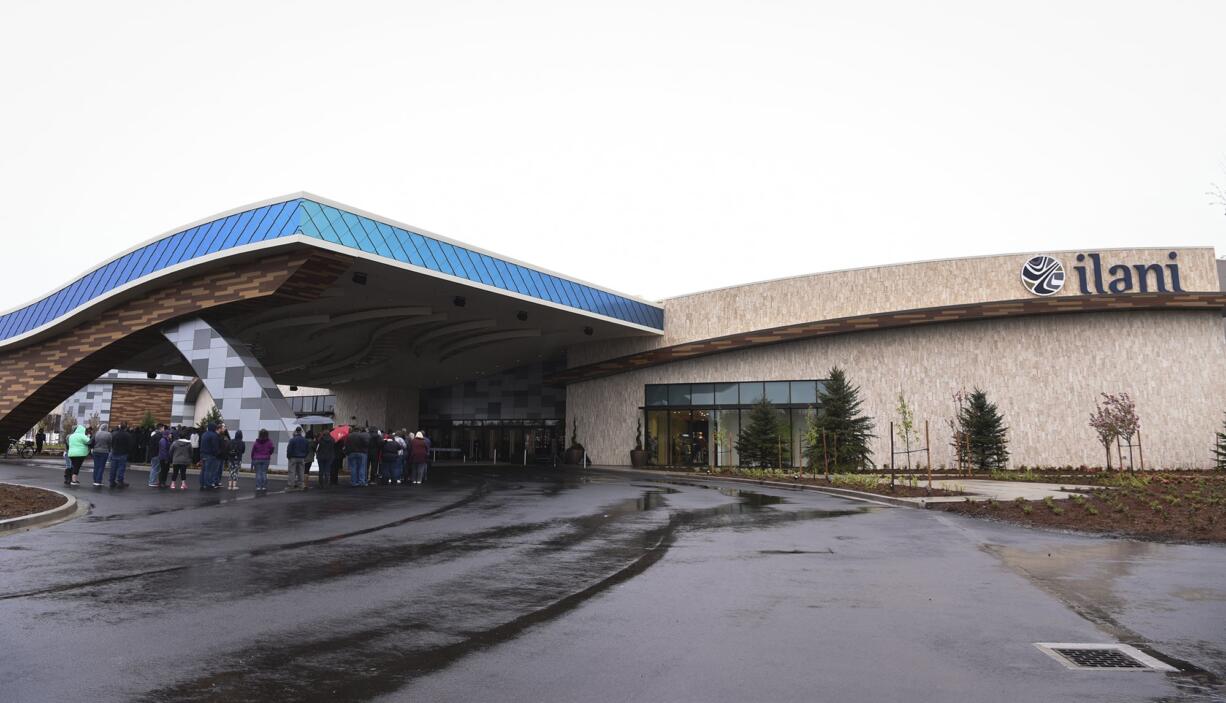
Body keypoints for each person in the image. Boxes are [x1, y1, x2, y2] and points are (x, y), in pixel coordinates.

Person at [199, 423, 222, 490]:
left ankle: (202, 483)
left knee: (203, 470)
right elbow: (215, 447)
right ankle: (208, 484)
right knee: (209, 470)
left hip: (203, 454)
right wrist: (217, 453)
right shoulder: (214, 435)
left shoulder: (204, 434)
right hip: (210, 455)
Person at [109, 423, 132, 488]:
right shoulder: (128, 435)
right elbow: (130, 445)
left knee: (113, 468)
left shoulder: (114, 434)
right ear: (125, 428)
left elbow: (111, 443)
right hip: (123, 453)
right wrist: (128, 452)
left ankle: (111, 481)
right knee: (121, 468)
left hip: (115, 452)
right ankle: (120, 482)